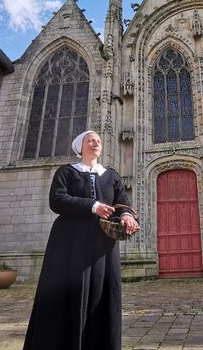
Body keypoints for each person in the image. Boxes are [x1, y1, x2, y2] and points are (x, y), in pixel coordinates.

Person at [23, 130, 138, 350]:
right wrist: (93, 206)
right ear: (80, 146)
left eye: (98, 141)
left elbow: (121, 200)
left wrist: (125, 215)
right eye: (90, 140)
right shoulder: (67, 172)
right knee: (69, 292)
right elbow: (57, 200)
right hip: (69, 242)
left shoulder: (111, 175)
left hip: (102, 244)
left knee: (102, 293)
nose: (95, 143)